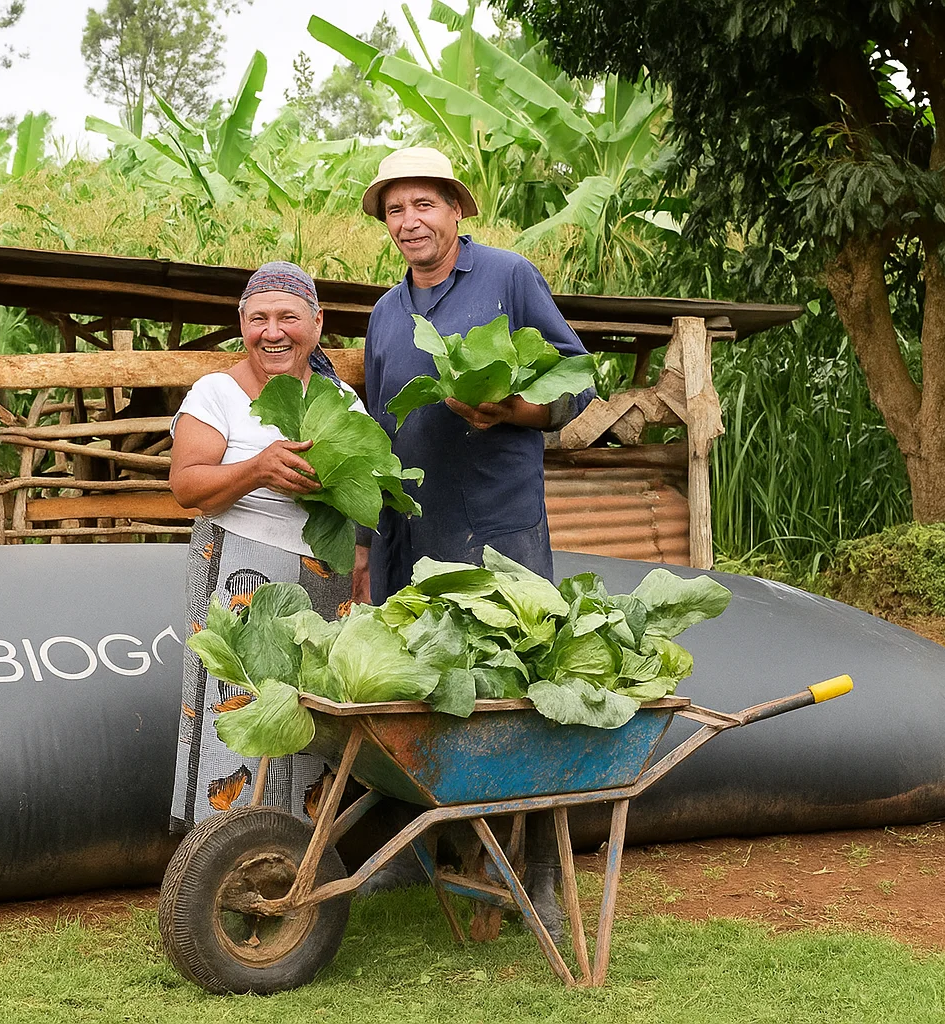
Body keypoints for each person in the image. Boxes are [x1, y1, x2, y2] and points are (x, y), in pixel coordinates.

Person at [352, 147, 595, 939]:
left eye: (425, 204)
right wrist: (366, 543)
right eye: (396, 209)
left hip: (498, 525)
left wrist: (513, 411)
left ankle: (545, 879)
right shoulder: (387, 313)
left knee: (527, 693)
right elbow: (379, 434)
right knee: (429, 694)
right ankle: (458, 861)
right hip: (415, 527)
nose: (410, 220)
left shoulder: (507, 277)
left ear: (457, 212)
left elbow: (576, 375)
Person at [167, 262, 353, 833]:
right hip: (237, 573)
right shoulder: (217, 393)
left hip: (323, 576)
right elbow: (185, 486)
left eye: (288, 317)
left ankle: (298, 857)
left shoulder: (339, 397)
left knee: (309, 713)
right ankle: (220, 855)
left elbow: (363, 494)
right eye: (258, 319)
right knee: (238, 711)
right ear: (242, 325)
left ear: (317, 324)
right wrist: (257, 469)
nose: (273, 332)